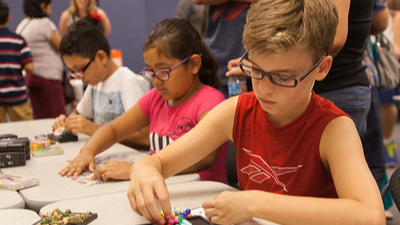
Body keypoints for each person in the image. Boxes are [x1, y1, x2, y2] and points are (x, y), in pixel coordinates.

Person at [127, 0, 385, 224]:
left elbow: (371, 215)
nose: (264, 89)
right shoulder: (236, 110)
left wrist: (253, 203)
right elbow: (158, 162)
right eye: (255, 70)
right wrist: (144, 170)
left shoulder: (334, 129)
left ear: (322, 68)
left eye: (283, 78)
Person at [59, 18, 228, 184]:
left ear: (193, 64)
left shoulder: (211, 101)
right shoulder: (155, 98)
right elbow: (113, 130)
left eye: (163, 71)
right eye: (150, 71)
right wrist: (88, 150)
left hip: (201, 199)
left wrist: (138, 167)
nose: (155, 80)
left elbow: (204, 156)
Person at [52, 20, 149, 140]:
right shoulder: (95, 83)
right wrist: (65, 122)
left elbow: (145, 138)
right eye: (73, 72)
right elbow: (77, 115)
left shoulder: (128, 82)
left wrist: (94, 129)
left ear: (101, 57)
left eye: (80, 69)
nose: (78, 77)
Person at [16, 0, 66, 119]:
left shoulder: (23, 24)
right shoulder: (44, 23)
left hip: (33, 78)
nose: (50, 10)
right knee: (59, 118)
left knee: (40, 117)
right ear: (43, 5)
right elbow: (61, 46)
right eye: (50, 7)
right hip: (48, 80)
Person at [0, 2, 34, 123]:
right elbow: (30, 67)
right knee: (26, 130)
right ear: (8, 18)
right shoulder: (18, 40)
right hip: (16, 95)